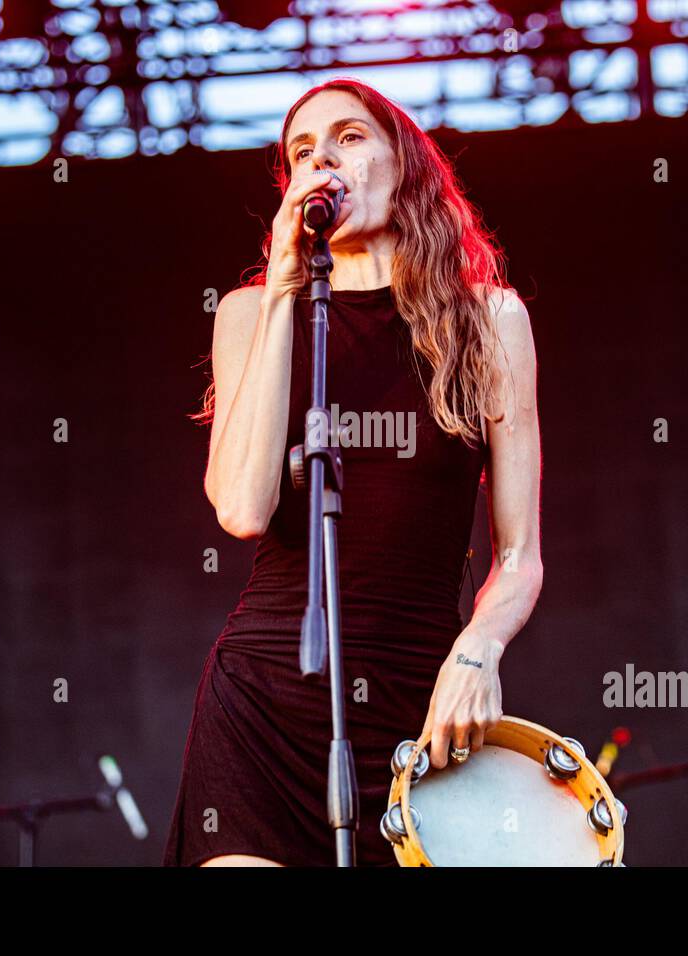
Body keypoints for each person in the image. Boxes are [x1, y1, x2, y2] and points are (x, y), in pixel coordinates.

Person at [162, 78, 542, 866]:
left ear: (403, 163)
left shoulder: (490, 320)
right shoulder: (250, 315)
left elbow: (520, 557)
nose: (323, 160)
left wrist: (479, 649)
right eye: (303, 151)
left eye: (349, 137)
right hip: (263, 698)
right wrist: (281, 290)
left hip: (417, 704)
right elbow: (239, 505)